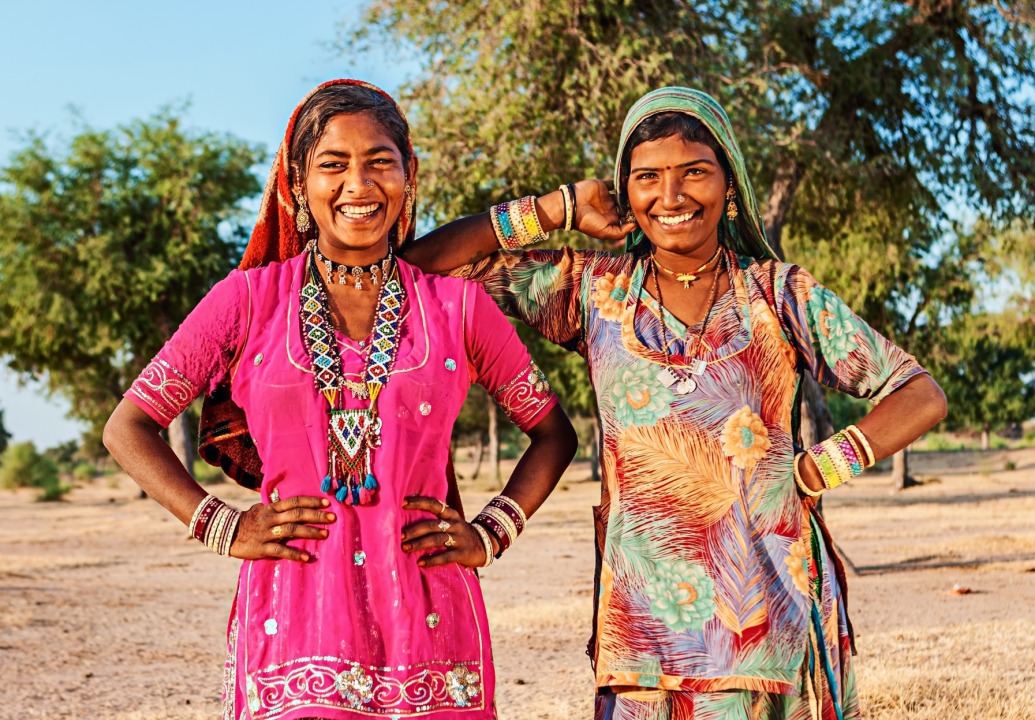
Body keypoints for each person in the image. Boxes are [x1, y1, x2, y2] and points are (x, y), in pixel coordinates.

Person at [403, 87, 948, 719]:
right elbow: (420, 270)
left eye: (695, 172)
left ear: (730, 185)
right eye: (647, 178)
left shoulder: (777, 294)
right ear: (626, 193)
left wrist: (813, 470)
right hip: (643, 632)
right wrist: (561, 207)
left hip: (767, 619)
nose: (672, 196)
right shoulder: (593, 291)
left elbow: (920, 394)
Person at [103, 79, 579, 720]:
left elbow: (554, 433)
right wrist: (221, 523)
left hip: (431, 620)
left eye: (380, 162)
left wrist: (492, 532)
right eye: (334, 165)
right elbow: (128, 426)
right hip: (291, 622)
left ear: (408, 175)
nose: (359, 185)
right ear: (298, 184)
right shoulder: (248, 301)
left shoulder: (455, 306)